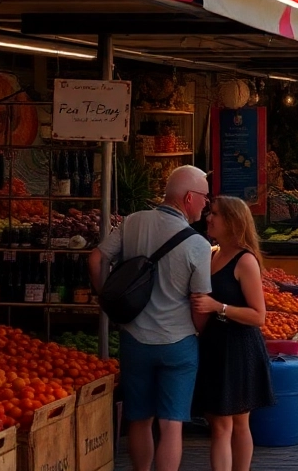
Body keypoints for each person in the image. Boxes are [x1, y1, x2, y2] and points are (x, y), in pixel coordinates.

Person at [89, 166, 212, 471]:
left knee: (139, 419)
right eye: (204, 197)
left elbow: (96, 258)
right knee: (171, 426)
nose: (207, 204)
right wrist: (198, 331)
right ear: (188, 198)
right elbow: (201, 302)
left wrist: (107, 299)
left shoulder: (133, 222)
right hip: (179, 343)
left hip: (135, 339)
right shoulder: (198, 244)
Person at [191, 196, 274, 471]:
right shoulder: (212, 254)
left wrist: (219, 307)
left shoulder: (245, 261)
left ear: (233, 221)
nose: (208, 218)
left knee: (233, 423)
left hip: (239, 348)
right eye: (208, 212)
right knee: (219, 424)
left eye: (214, 213)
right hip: (214, 346)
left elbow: (258, 316)